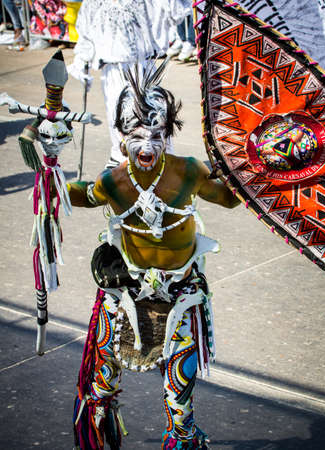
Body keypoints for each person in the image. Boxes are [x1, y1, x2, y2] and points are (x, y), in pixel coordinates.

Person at [68, 61, 240, 449]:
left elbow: (230, 199)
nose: (146, 146)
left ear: (168, 134)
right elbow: (80, 195)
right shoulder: (114, 181)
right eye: (137, 135)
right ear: (122, 135)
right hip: (125, 296)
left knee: (179, 402)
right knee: (102, 386)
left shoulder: (189, 172)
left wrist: (249, 168)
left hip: (179, 296)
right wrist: (48, 161)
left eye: (156, 135)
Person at [67, 0, 187, 169]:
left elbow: (174, 12)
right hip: (113, 69)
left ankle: (163, 166)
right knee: (119, 119)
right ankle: (124, 167)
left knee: (154, 118)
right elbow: (86, 32)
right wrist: (81, 62)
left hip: (144, 66)